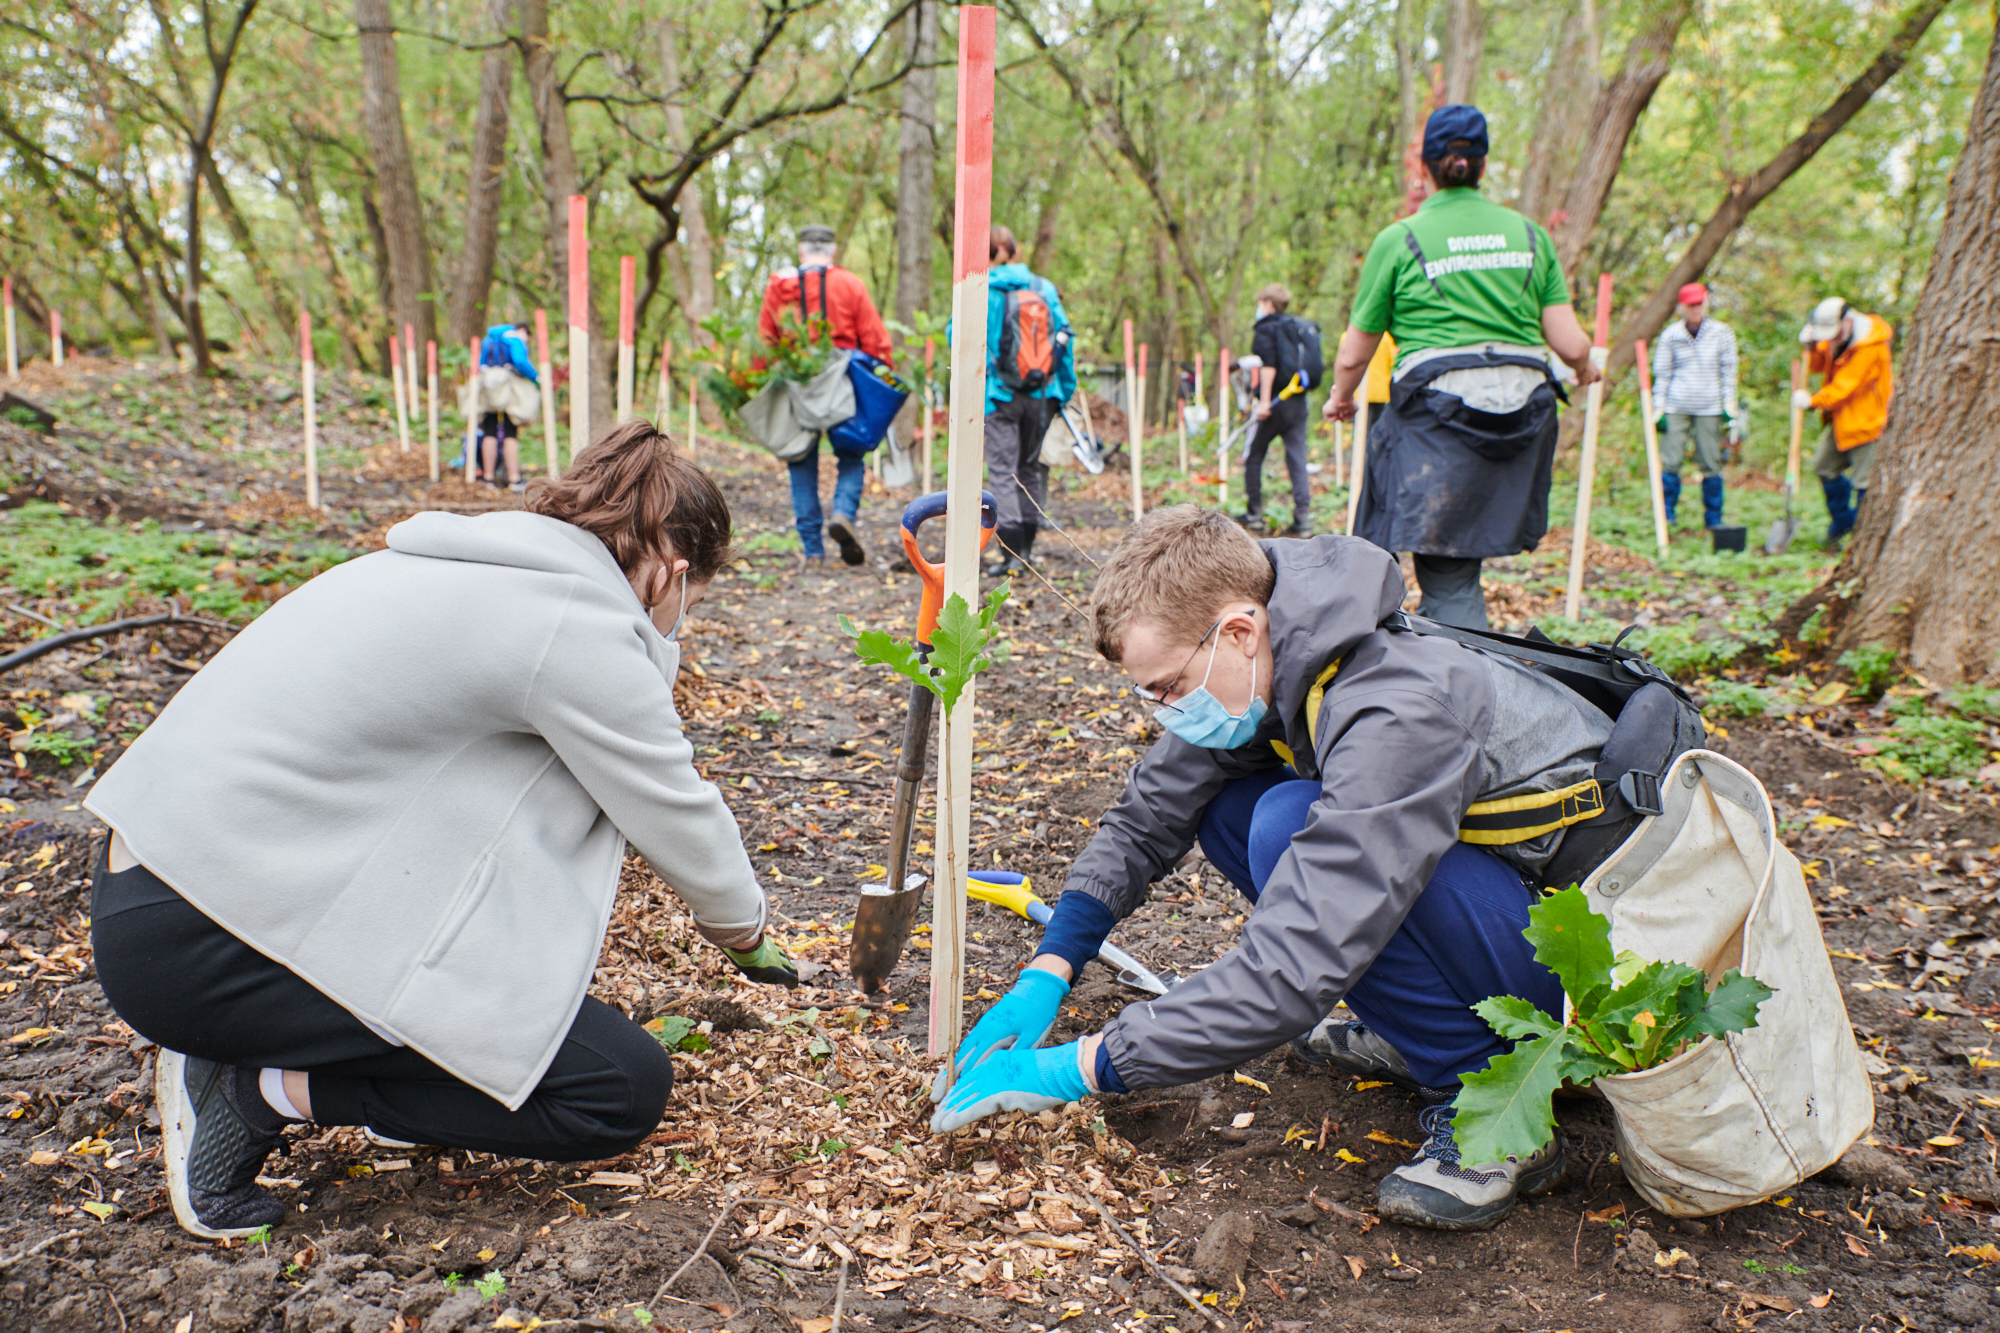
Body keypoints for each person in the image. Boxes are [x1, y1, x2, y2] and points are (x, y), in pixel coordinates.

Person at [84, 424, 799, 1240]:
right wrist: (745, 933)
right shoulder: (571, 619)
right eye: (689, 607)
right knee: (615, 1088)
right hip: (207, 940)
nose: (679, 627)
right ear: (672, 573)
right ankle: (254, 1089)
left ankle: (384, 1075)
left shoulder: (457, 567)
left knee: (515, 1004)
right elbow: (673, 802)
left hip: (163, 893)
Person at [924, 507, 1708, 1231]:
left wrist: (1087, 1063)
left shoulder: (1394, 706)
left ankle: (1502, 1109)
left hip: (1595, 971)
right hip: (1506, 904)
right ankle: (1432, 1033)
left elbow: (1298, 961)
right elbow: (1147, 817)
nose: (1163, 711)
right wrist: (1050, 968)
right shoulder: (1280, 645)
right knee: (1238, 811)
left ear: (1236, 630)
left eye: (1166, 687)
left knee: (1283, 825)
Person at [1323, 104, 1599, 631]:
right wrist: (1585, 368)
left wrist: (1342, 396)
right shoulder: (1531, 236)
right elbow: (1569, 341)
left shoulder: (1400, 239)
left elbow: (1354, 353)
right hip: (1522, 420)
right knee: (1454, 569)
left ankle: (1423, 675)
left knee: (1428, 567)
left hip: (1437, 418)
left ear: (1424, 168)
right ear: (1484, 164)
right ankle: (1435, 657)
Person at [758, 224, 895, 567]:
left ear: (801, 251)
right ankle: (843, 513)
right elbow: (875, 339)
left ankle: (812, 552)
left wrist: (762, 379)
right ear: (832, 252)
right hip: (844, 383)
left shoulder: (780, 285)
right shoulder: (850, 284)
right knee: (852, 455)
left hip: (797, 380)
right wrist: (880, 378)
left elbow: (765, 340)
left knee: (800, 462)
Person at [981, 225, 1076, 577]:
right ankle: (1028, 549)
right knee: (1029, 468)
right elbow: (1066, 340)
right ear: (1014, 252)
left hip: (998, 395)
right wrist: (1063, 390)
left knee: (1003, 471)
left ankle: (1009, 557)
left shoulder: (982, 289)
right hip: (1041, 394)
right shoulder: (1043, 288)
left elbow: (954, 336)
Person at [1796, 297, 1894, 550]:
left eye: (1835, 332)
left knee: (1865, 483)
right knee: (1823, 466)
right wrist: (1812, 345)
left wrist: (1812, 400)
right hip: (1841, 420)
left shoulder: (1871, 345)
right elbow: (1818, 367)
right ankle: (1843, 522)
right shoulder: (1835, 337)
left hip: (1868, 423)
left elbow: (1845, 387)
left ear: (1848, 321)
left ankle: (1862, 541)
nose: (1833, 338)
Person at [1649, 283, 1741, 529]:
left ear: (1706, 303)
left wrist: (1729, 404)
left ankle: (1713, 518)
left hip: (1709, 405)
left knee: (1710, 461)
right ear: (1682, 307)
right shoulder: (1671, 335)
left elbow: (1729, 371)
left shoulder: (1722, 333)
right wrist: (1658, 407)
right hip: (1677, 404)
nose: (1696, 309)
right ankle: (1666, 514)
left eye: (1699, 304)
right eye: (1691, 305)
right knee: (1671, 460)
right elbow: (1663, 373)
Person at [1240, 284, 1315, 537]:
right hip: (1297, 401)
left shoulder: (1266, 329)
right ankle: (1303, 519)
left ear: (1268, 305)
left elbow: (1268, 366)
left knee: (1254, 454)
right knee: (1297, 458)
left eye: (1260, 303)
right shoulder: (1297, 327)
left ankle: (1255, 514)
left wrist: (1263, 402)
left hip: (1273, 402)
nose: (1258, 308)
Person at [472, 322, 543, 492]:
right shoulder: (515, 339)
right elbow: (520, 361)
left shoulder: (488, 339)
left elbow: (479, 364)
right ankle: (514, 480)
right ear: (523, 331)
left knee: (490, 431)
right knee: (510, 432)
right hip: (509, 390)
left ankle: (488, 479)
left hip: (490, 389)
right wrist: (536, 377)